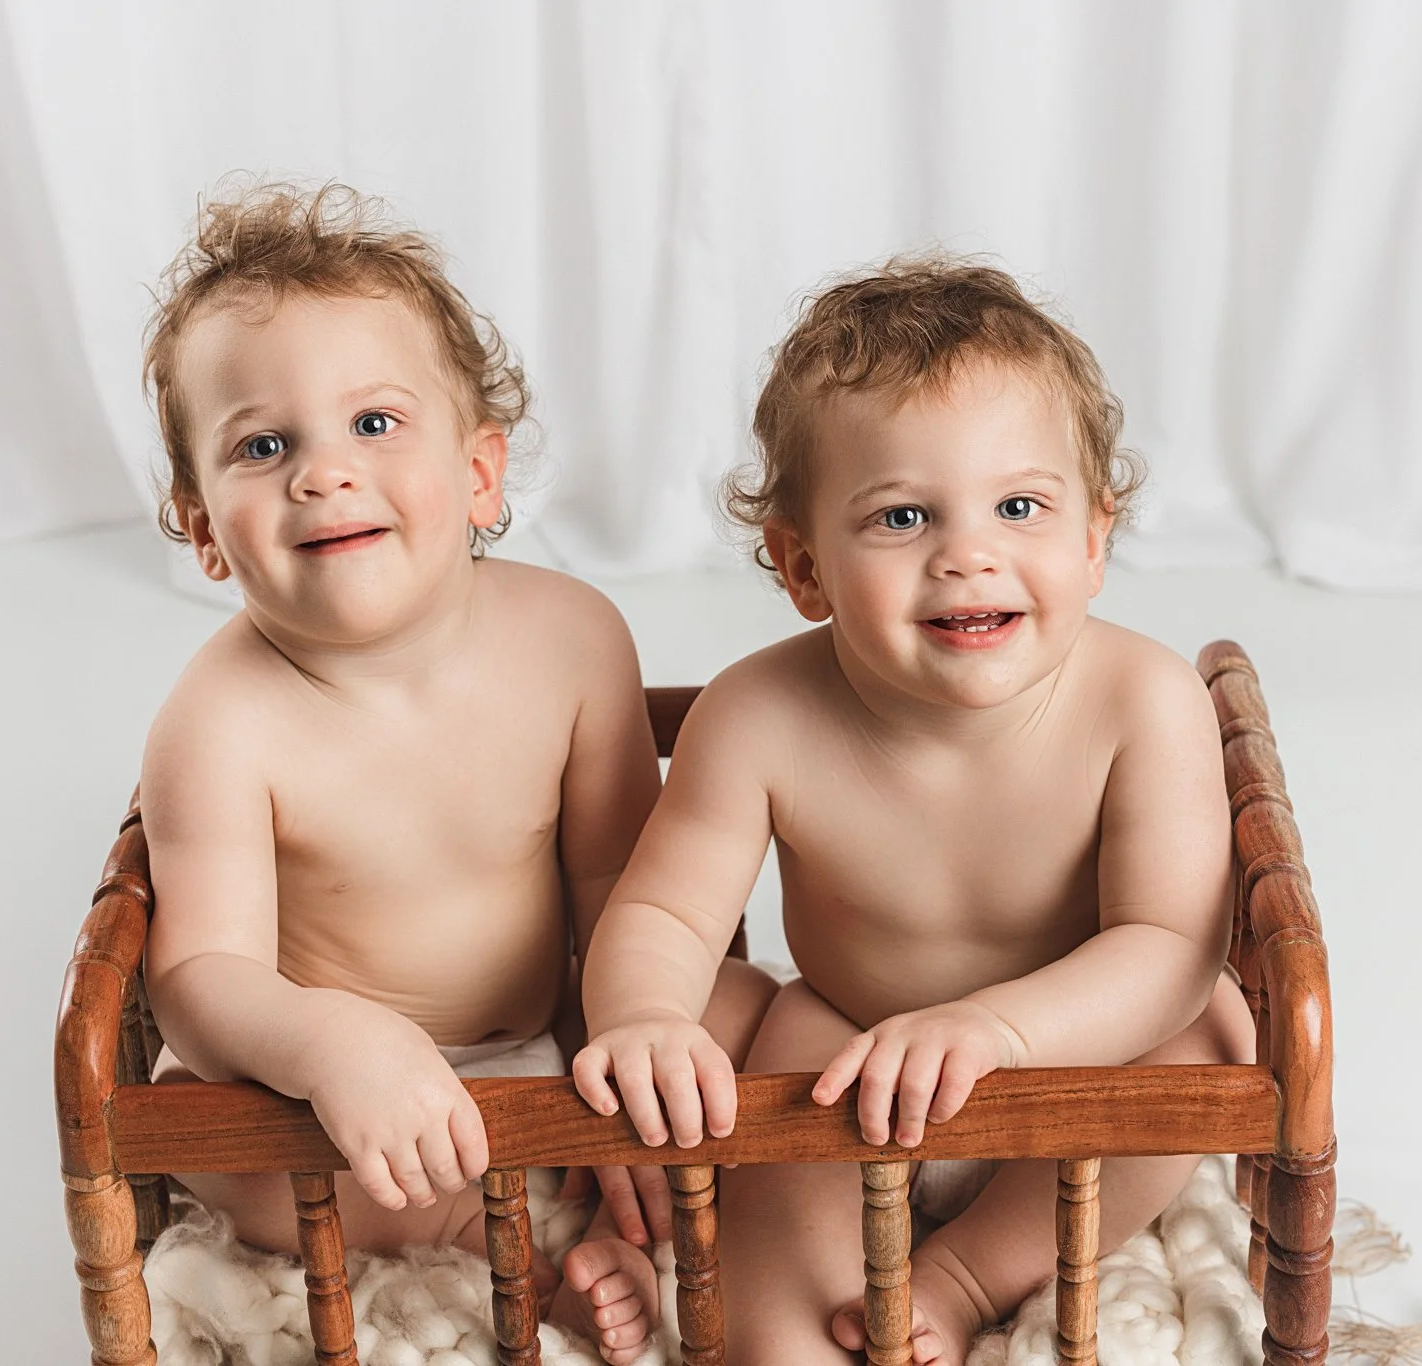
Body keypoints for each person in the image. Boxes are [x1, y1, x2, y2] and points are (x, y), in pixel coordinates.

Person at [135, 181, 776, 1360]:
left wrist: (625, 1055)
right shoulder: (218, 719)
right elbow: (198, 972)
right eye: (262, 445)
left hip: (555, 1029)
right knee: (197, 1130)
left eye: (374, 424)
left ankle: (658, 1196)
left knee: (754, 1017)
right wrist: (331, 1045)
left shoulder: (572, 638)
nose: (321, 473)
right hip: (338, 1091)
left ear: (480, 473)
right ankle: (510, 1252)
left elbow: (620, 897)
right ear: (203, 531)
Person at [572, 258, 1254, 1363]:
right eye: (899, 516)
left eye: (1020, 505)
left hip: (1075, 1062)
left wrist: (997, 1031)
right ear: (802, 567)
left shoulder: (1143, 700)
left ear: (1092, 538)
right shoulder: (756, 713)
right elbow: (660, 914)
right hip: (844, 1051)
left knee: (1208, 1033)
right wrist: (642, 1015)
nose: (966, 552)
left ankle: (966, 1270)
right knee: (719, 1027)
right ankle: (746, 1295)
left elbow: (1170, 941)